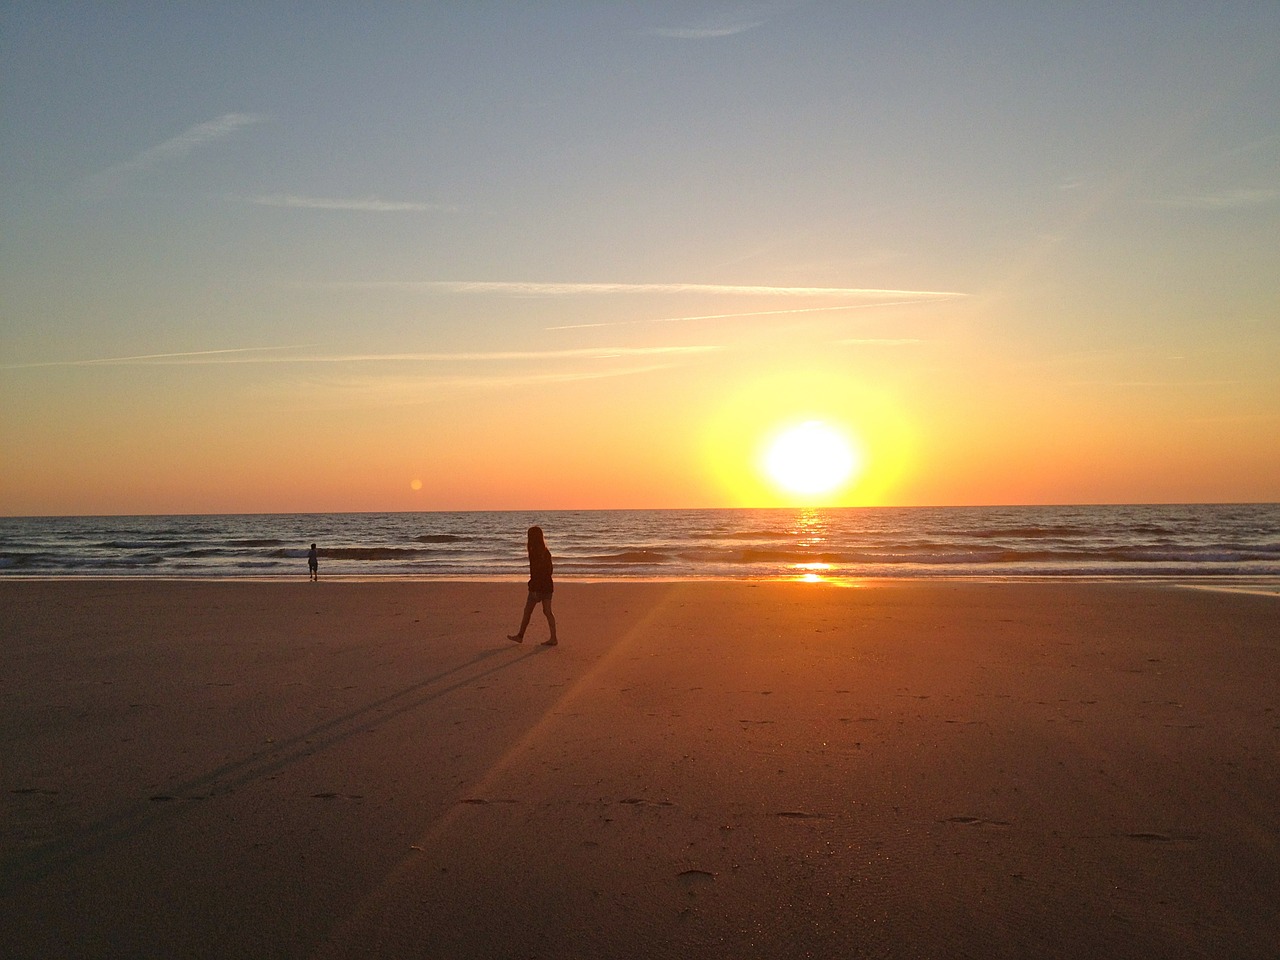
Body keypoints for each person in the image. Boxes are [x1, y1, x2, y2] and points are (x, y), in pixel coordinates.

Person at [508, 525, 558, 646]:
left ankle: (520, 635)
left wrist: (534, 588)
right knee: (547, 612)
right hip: (547, 586)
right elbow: (550, 570)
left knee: (528, 611)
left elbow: (535, 573)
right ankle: (553, 637)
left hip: (537, 587)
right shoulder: (546, 552)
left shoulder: (534, 553)